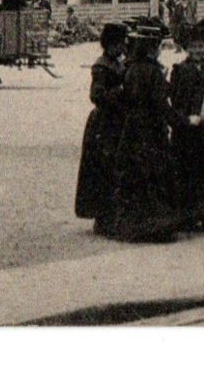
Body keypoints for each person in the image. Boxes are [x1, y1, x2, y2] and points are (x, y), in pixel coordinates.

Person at [106, 26, 180, 243]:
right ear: (151, 49)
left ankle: (131, 225)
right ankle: (155, 227)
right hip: (152, 128)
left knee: (133, 174)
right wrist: (180, 123)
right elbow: (161, 104)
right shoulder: (153, 72)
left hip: (132, 128)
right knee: (154, 174)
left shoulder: (130, 69)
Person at [75, 22, 129, 231]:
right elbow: (96, 95)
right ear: (110, 44)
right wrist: (120, 90)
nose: (122, 48)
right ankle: (102, 217)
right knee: (103, 167)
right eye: (119, 44)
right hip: (104, 123)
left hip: (116, 121)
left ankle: (111, 213)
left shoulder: (116, 63)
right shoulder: (101, 66)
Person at [169, 18, 204, 230]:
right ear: (187, 48)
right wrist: (185, 118)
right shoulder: (180, 70)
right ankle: (187, 216)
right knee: (187, 170)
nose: (198, 50)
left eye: (201, 46)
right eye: (194, 47)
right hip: (187, 127)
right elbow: (175, 99)